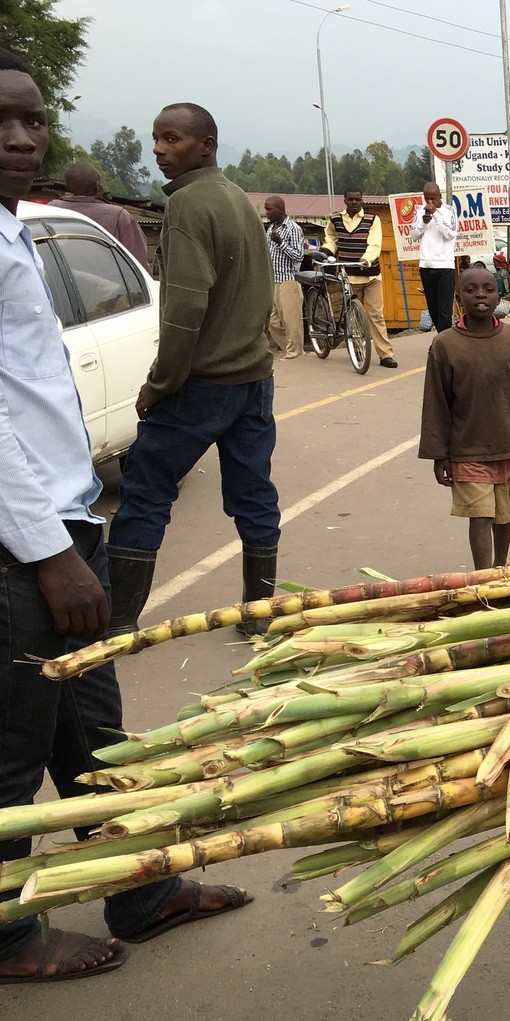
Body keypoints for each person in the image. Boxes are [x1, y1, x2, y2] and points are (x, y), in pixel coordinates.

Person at [0, 53, 252, 984]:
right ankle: (4, 938)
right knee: (12, 750)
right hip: (23, 547)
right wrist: (47, 555)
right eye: (2, 123)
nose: (24, 140)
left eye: (32, 121)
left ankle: (142, 892)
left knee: (96, 734)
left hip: (66, 526)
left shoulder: (18, 232)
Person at [106, 101, 281, 638]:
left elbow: (183, 310)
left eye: (172, 139)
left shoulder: (188, 207)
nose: (159, 149)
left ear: (206, 144)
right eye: (156, 139)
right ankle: (258, 613)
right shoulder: (236, 199)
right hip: (253, 378)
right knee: (253, 494)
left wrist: (158, 386)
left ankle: (117, 622)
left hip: (203, 383)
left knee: (145, 490)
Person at [419, 265, 510, 570]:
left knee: (503, 514)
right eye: (471, 290)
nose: (480, 294)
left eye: (488, 289)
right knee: (480, 516)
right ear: (458, 297)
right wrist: (438, 455)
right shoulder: (445, 344)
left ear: (499, 297)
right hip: (467, 451)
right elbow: (436, 404)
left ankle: (501, 566)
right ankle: (483, 578)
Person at [330, 188, 397, 368]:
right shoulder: (335, 219)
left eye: (357, 199)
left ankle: (385, 354)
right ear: (344, 200)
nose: (354, 202)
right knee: (354, 316)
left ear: (362, 201)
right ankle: (358, 349)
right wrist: (326, 250)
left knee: (376, 315)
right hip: (349, 276)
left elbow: (375, 243)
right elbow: (331, 237)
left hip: (371, 275)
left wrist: (366, 259)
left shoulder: (372, 220)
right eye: (350, 199)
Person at [49, 161, 150, 271]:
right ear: (97, 187)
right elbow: (138, 264)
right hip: (107, 285)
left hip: (58, 281)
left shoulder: (52, 208)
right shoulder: (118, 216)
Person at [408, 181, 457, 334]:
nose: (429, 202)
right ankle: (442, 338)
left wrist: (435, 214)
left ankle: (445, 343)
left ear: (439, 196)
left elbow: (450, 235)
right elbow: (414, 235)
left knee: (444, 310)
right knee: (433, 309)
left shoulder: (449, 211)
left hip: (445, 267)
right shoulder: (420, 211)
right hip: (426, 266)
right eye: (427, 198)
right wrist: (423, 222)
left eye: (433, 198)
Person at [261, 195, 304, 359]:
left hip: (288, 279)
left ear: (280, 209)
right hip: (273, 280)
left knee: (291, 321)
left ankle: (294, 354)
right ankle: (292, 348)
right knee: (272, 321)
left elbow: (299, 256)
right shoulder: (271, 228)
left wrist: (281, 243)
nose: (267, 213)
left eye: (269, 209)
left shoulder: (293, 228)